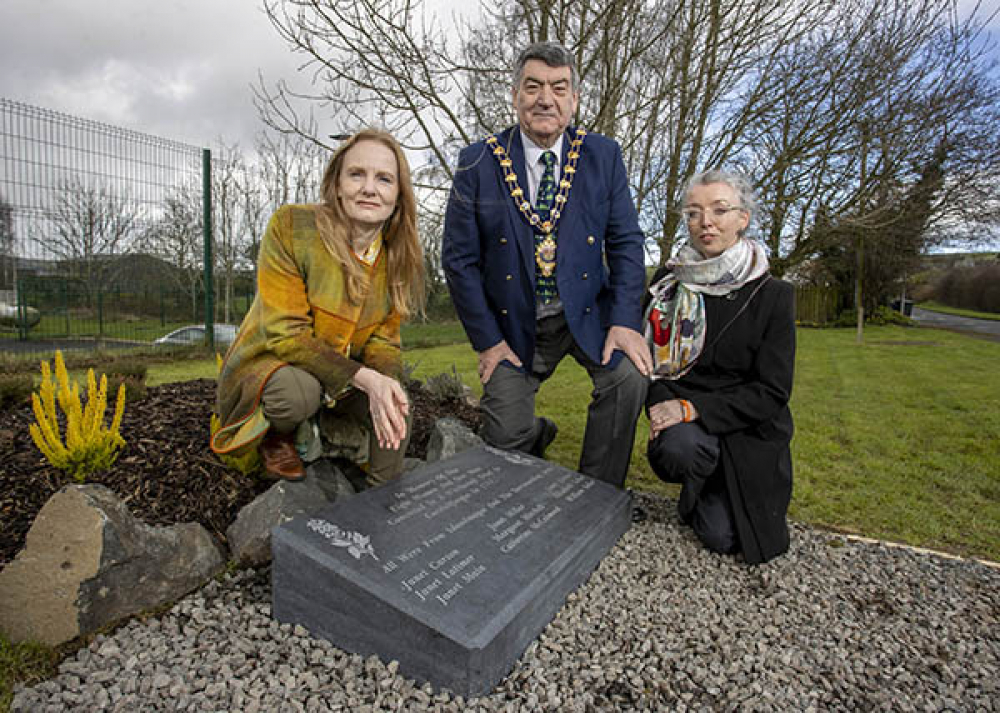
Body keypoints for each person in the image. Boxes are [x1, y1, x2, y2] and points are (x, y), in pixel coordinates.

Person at [442, 42, 652, 490]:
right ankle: (534, 432)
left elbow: (627, 242)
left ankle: (596, 494)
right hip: (513, 326)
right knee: (503, 442)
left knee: (628, 377)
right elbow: (458, 261)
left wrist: (624, 321)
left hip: (586, 316)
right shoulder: (476, 162)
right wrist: (488, 342)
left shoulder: (603, 156)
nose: (546, 98)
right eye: (533, 86)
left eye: (559, 88)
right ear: (515, 94)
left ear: (574, 100)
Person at [210, 128, 424, 487]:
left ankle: (381, 498)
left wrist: (386, 385)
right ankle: (278, 435)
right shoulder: (292, 227)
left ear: (398, 196)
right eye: (357, 174)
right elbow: (286, 336)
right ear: (337, 184)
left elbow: (384, 343)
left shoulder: (396, 256)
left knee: (398, 406)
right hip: (275, 365)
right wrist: (367, 380)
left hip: (340, 375)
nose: (369, 188)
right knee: (298, 396)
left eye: (384, 179)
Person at [644, 169, 795, 564]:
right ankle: (702, 477)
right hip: (690, 431)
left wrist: (694, 409)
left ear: (743, 218)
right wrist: (663, 408)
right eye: (693, 213)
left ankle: (722, 489)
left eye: (719, 210)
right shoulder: (668, 283)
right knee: (678, 448)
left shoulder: (773, 295)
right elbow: (653, 363)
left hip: (748, 431)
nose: (705, 222)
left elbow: (773, 391)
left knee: (724, 537)